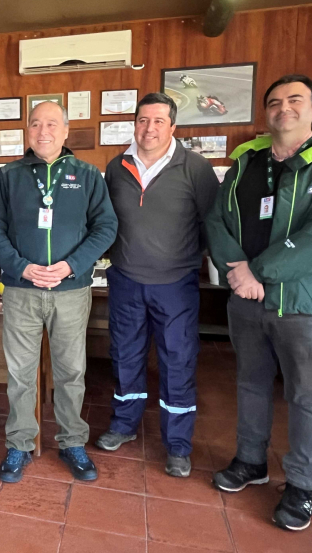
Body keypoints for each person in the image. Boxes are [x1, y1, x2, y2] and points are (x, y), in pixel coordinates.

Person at [206, 75, 312, 530]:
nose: (284, 108)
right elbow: (216, 220)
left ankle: (302, 484)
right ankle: (251, 460)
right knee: (251, 384)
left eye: (295, 99)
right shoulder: (247, 163)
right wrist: (236, 269)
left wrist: (258, 272)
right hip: (247, 299)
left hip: (306, 303)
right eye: (275, 101)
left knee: (306, 395)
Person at [0, 101, 118, 483]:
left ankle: (72, 441)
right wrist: (20, 266)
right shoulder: (9, 175)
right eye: (36, 124)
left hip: (71, 291)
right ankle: (19, 444)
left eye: (52, 124)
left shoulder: (87, 175)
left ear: (66, 130)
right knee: (20, 373)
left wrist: (72, 265)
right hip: (21, 290)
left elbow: (106, 227)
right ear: (28, 130)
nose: (43, 131)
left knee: (71, 371)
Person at [96, 93, 219, 478]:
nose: (149, 128)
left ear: (173, 126)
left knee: (178, 361)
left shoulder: (196, 168)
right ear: (134, 124)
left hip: (175, 285)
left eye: (158, 121)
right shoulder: (117, 166)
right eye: (143, 120)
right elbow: (107, 221)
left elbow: (211, 224)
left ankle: (178, 445)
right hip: (126, 281)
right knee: (125, 356)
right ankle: (124, 424)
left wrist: (183, 258)